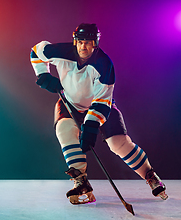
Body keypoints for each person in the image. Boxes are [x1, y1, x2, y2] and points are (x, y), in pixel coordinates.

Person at [30, 23, 168, 204]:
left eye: (88, 42)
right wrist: (42, 74)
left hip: (99, 106)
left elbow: (102, 102)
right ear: (75, 41)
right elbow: (35, 51)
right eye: (80, 42)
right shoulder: (59, 51)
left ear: (95, 43)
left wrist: (90, 125)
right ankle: (81, 180)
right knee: (64, 130)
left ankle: (150, 175)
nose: (83, 46)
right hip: (70, 102)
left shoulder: (104, 65)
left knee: (118, 144)